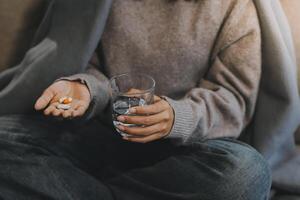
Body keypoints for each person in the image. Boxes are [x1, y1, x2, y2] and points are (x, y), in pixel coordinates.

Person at [0, 0, 271, 199]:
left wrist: (177, 116)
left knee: (247, 172)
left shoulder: (236, 8)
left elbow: (233, 98)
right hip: (97, 135)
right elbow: (88, 64)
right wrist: (86, 89)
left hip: (178, 154)